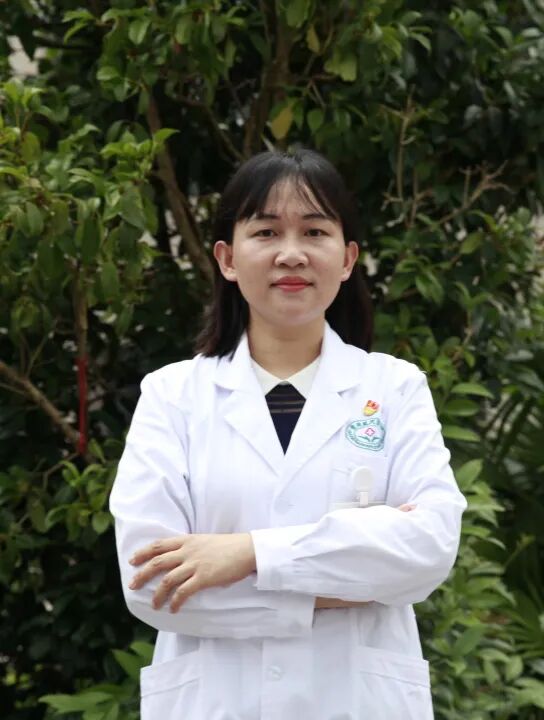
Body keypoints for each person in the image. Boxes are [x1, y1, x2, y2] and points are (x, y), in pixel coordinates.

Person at [109, 149, 467, 720]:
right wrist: (348, 578)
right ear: (228, 259)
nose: (292, 253)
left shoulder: (395, 388)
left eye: (315, 231)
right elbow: (151, 583)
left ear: (347, 258)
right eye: (267, 232)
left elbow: (427, 548)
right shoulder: (173, 396)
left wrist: (247, 553)